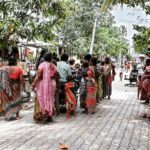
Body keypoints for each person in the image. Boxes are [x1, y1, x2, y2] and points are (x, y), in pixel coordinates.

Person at [32, 52, 56, 123]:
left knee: (42, 99)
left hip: (43, 84)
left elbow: (39, 76)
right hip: (52, 84)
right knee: (50, 99)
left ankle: (44, 115)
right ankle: (50, 115)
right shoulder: (53, 65)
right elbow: (56, 74)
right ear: (51, 58)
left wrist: (33, 84)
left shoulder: (42, 65)